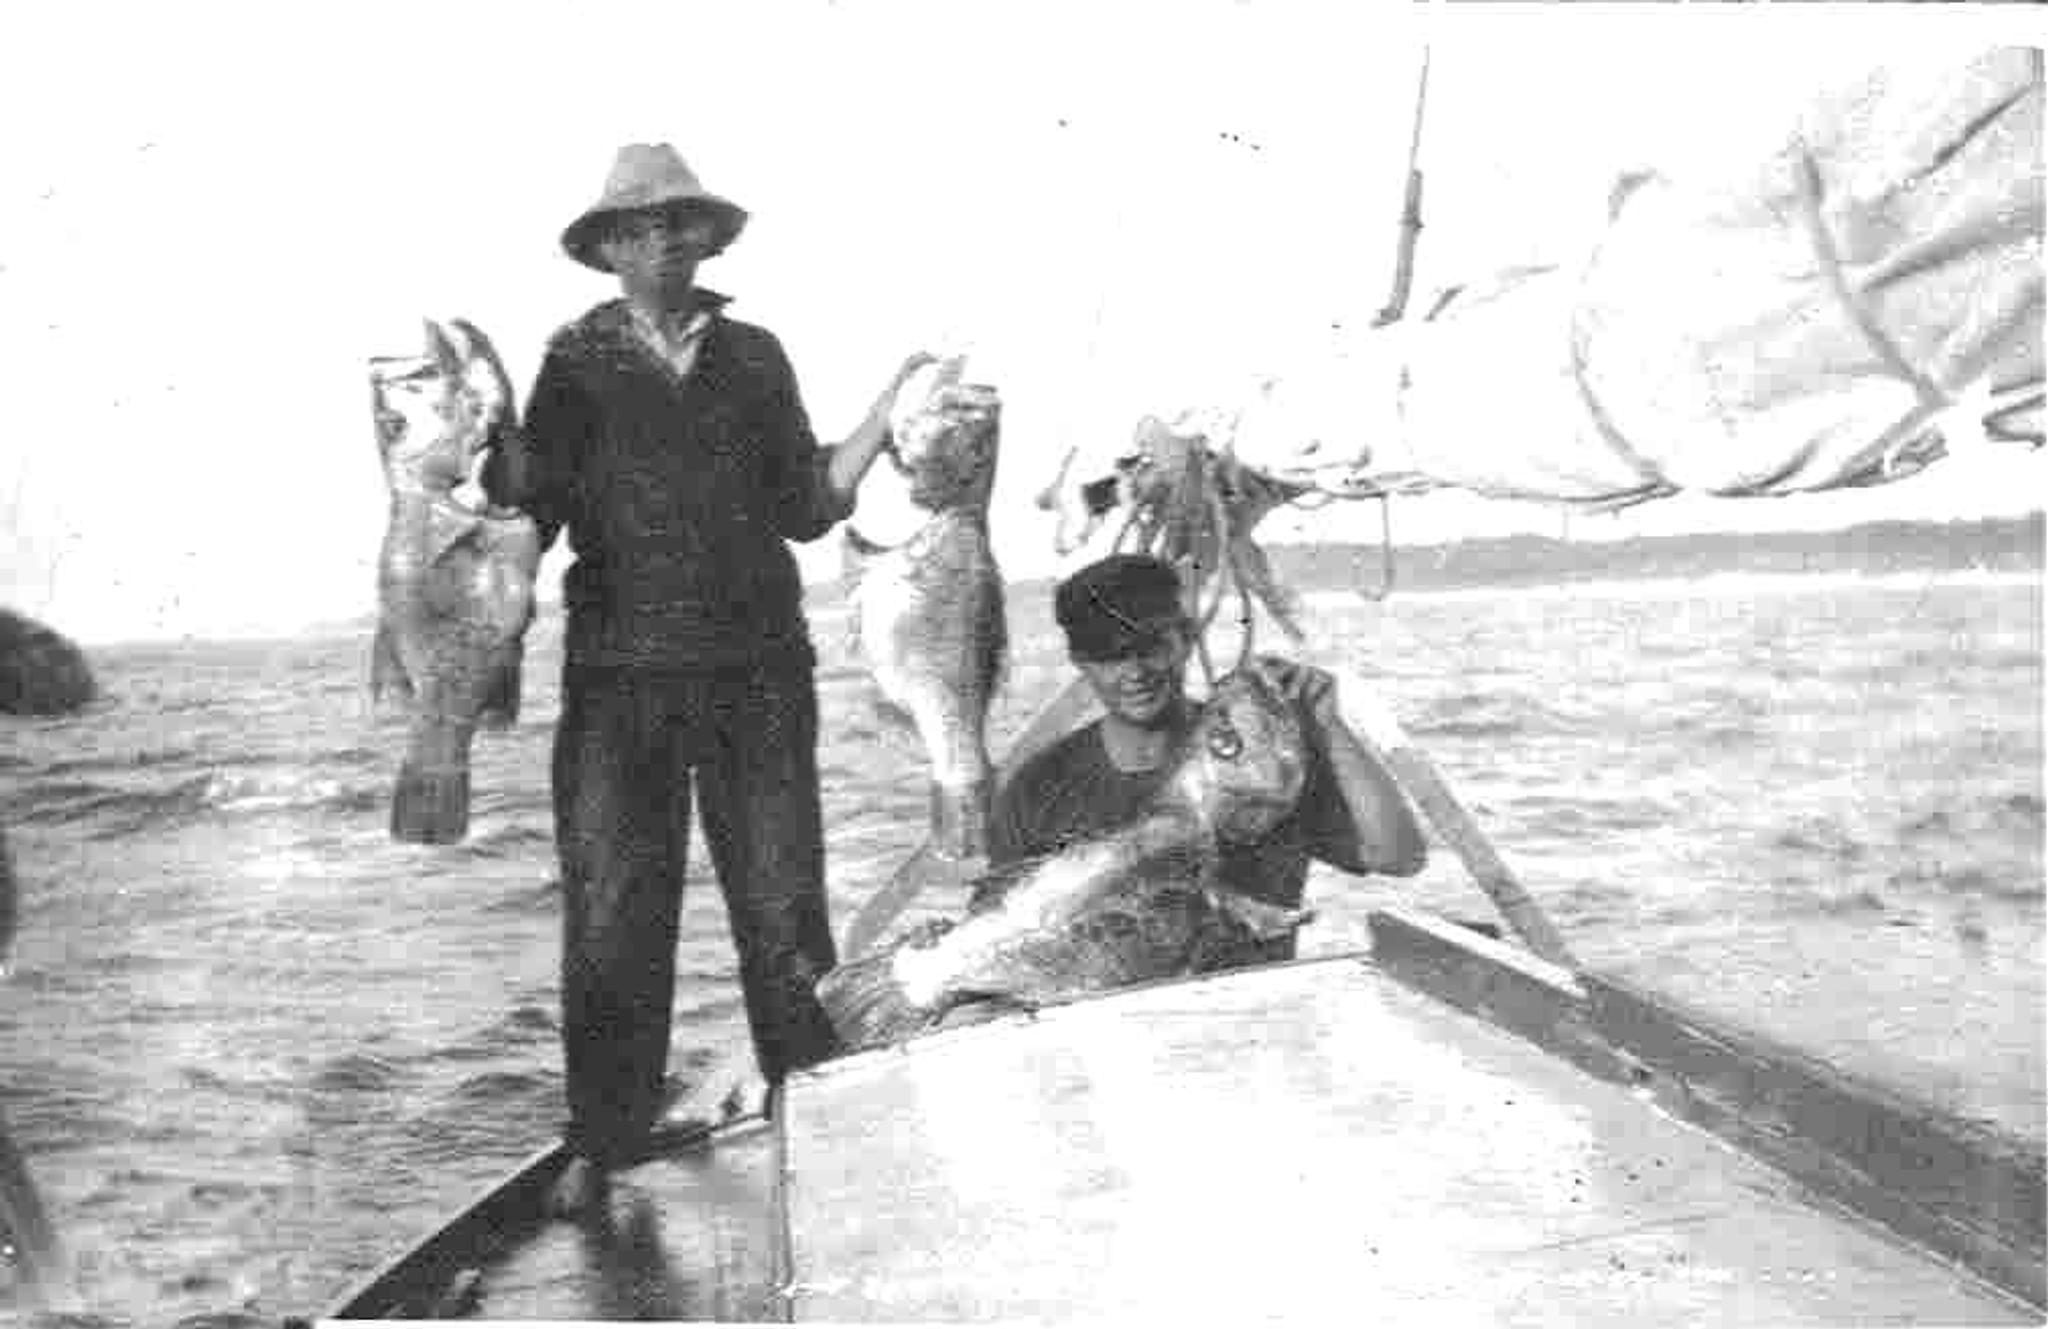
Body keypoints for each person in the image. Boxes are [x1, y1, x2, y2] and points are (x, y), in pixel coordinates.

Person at [482, 143, 927, 1190]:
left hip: (758, 675)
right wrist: (479, 433)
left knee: (783, 914)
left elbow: (806, 509)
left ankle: (819, 1127)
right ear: (607, 252)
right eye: (637, 230)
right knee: (611, 920)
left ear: (703, 238)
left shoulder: (756, 356)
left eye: (677, 224)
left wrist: (888, 412)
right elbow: (526, 506)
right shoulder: (572, 361)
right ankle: (603, 1142)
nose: (662, 244)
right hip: (617, 680)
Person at [988, 553, 1428, 964]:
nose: (1135, 671)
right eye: (1109, 655)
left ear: (1186, 638)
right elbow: (995, 929)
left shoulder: (1260, 760)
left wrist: (1328, 724)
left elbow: (1398, 855)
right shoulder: (1039, 787)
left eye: (1151, 646)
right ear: (1079, 660)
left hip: (1251, 1022)